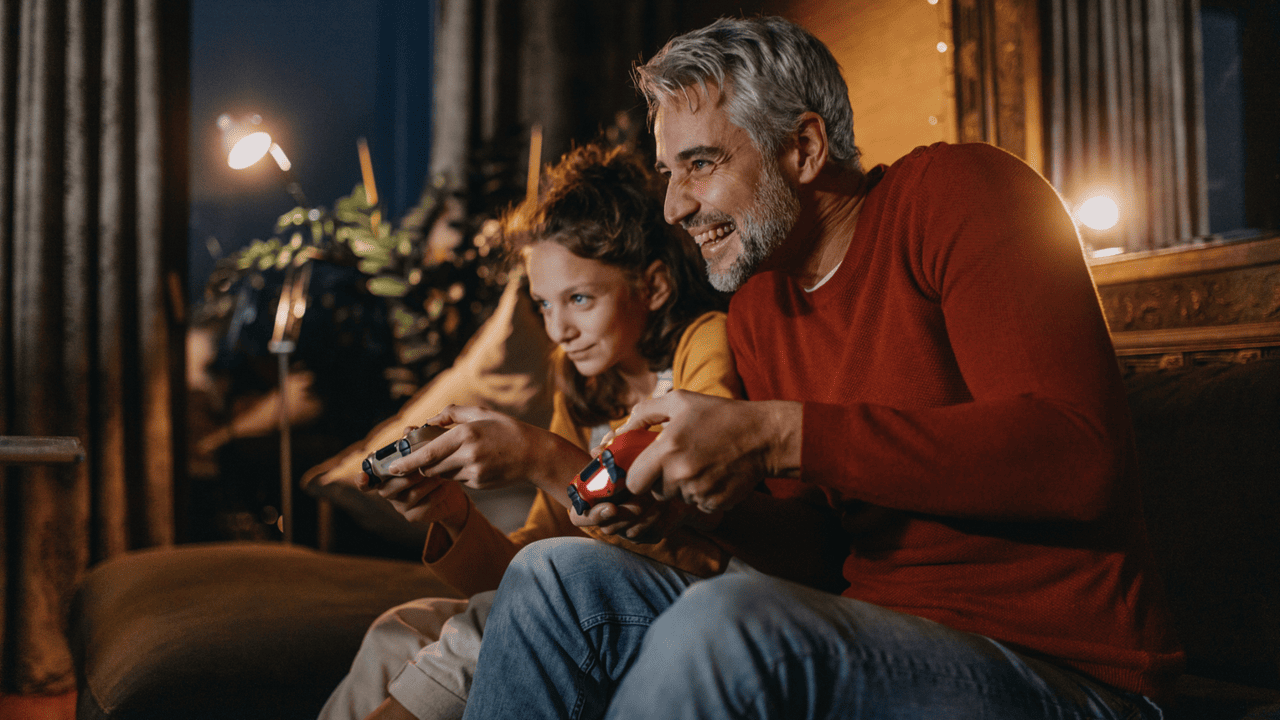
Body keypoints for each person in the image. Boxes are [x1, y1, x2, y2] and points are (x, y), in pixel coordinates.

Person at [456, 16, 1185, 720]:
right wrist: (694, 506)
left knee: (728, 623)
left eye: (701, 164)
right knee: (553, 577)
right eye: (669, 174)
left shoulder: (961, 192)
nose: (675, 206)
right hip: (866, 634)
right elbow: (815, 557)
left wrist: (781, 435)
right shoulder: (762, 307)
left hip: (1066, 675)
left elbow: (1078, 459)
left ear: (803, 148)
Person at [317, 143, 742, 720]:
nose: (559, 328)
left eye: (580, 299)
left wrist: (537, 454)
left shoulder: (702, 348)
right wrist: (452, 514)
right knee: (398, 631)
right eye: (544, 304)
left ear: (655, 286)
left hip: (692, 595)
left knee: (483, 628)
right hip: (577, 595)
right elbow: (521, 569)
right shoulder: (588, 391)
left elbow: (696, 514)